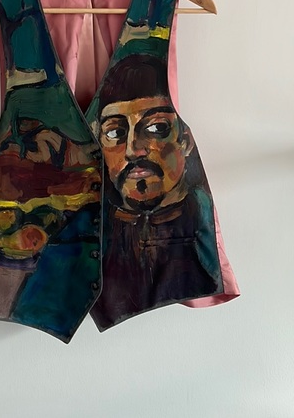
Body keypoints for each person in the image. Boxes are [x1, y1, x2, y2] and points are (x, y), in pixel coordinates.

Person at [89, 53, 224, 330]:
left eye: (156, 128)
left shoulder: (200, 226)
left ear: (185, 141)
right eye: (114, 133)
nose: (133, 150)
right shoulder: (91, 230)